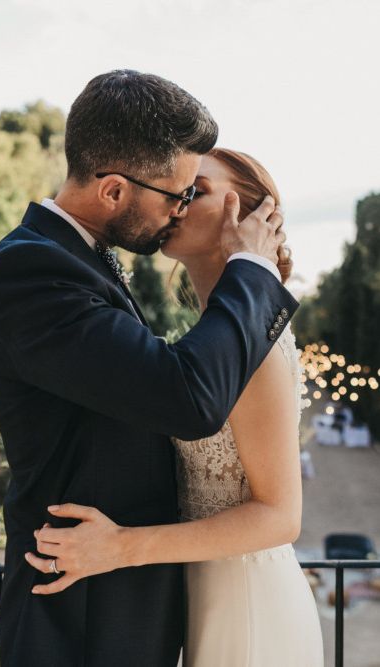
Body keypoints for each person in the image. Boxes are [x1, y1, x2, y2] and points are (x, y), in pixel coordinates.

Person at [0, 70, 296, 667]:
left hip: (129, 599)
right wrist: (252, 270)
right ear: (114, 191)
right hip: (79, 611)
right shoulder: (34, 272)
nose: (178, 211)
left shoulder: (76, 261)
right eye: (177, 194)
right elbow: (185, 399)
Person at [26, 148, 324, 666]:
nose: (178, 203)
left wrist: (120, 547)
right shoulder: (207, 348)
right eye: (179, 190)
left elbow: (280, 517)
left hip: (247, 604)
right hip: (202, 593)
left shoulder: (258, 350)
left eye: (198, 191)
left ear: (250, 218)